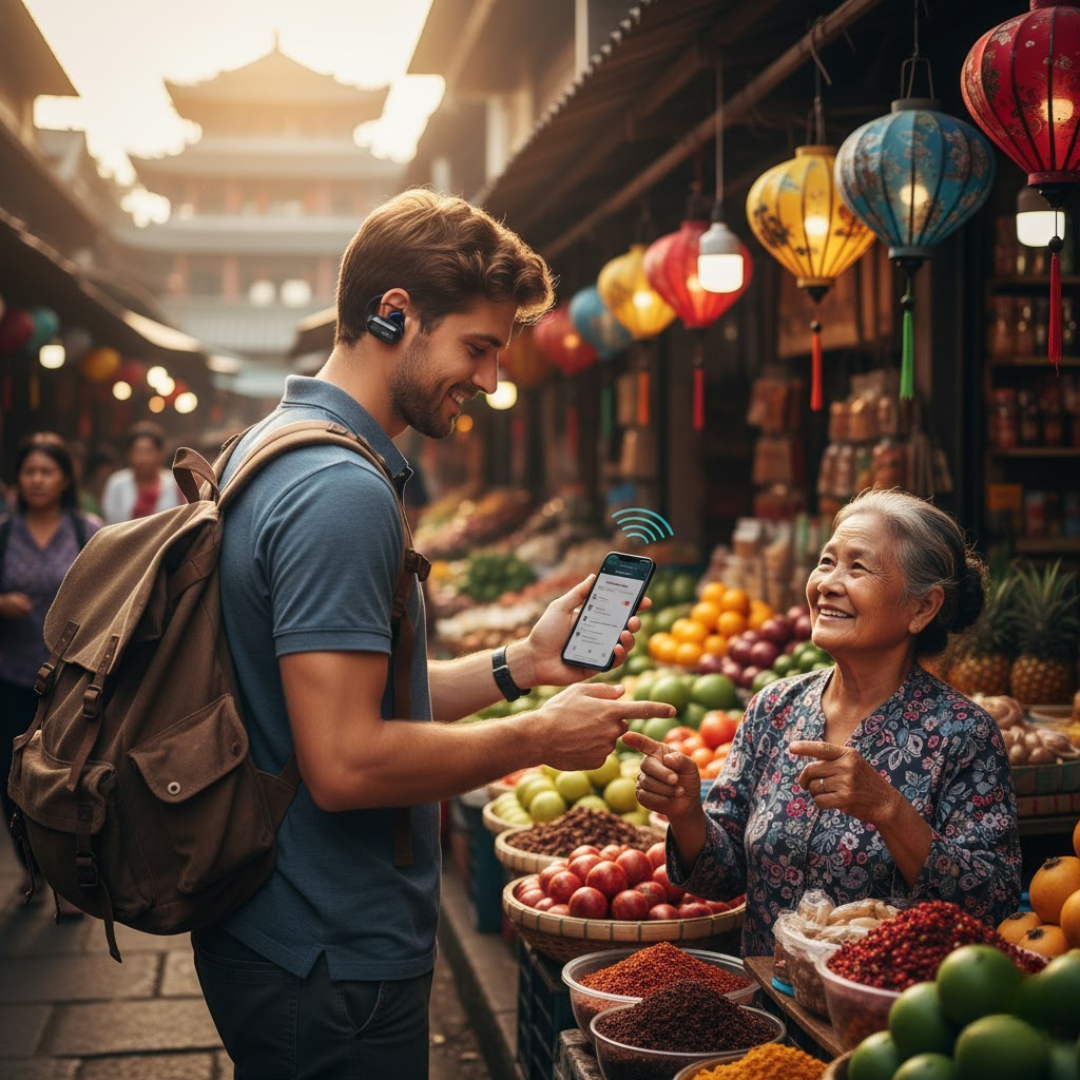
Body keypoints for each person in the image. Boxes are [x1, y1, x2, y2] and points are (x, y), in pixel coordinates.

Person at [191, 189, 677, 1078]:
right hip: (329, 952)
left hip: (289, 933)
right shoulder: (339, 492)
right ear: (395, 313)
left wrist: (520, 666)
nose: (491, 380)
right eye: (478, 348)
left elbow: (355, 693)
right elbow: (344, 763)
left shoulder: (282, 443)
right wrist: (536, 736)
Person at [626, 488, 1022, 958]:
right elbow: (724, 877)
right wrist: (687, 812)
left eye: (858, 567)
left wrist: (889, 810)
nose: (829, 583)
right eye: (827, 561)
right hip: (772, 1005)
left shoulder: (963, 733)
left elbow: (990, 903)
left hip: (883, 1012)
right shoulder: (774, 708)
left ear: (922, 608)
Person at [0, 433, 102, 912]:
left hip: (73, 681)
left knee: (71, 777)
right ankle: (32, 871)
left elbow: (110, 597)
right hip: (12, 676)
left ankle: (71, 873)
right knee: (13, 775)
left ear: (64, 478)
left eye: (47, 471)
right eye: (29, 471)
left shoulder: (88, 531)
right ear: (18, 479)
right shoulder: (4, 533)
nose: (37, 480)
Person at [100, 421, 182, 523]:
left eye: (148, 451)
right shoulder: (117, 482)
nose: (142, 458)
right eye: (137, 451)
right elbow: (110, 521)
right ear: (129, 454)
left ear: (160, 453)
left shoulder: (175, 482)